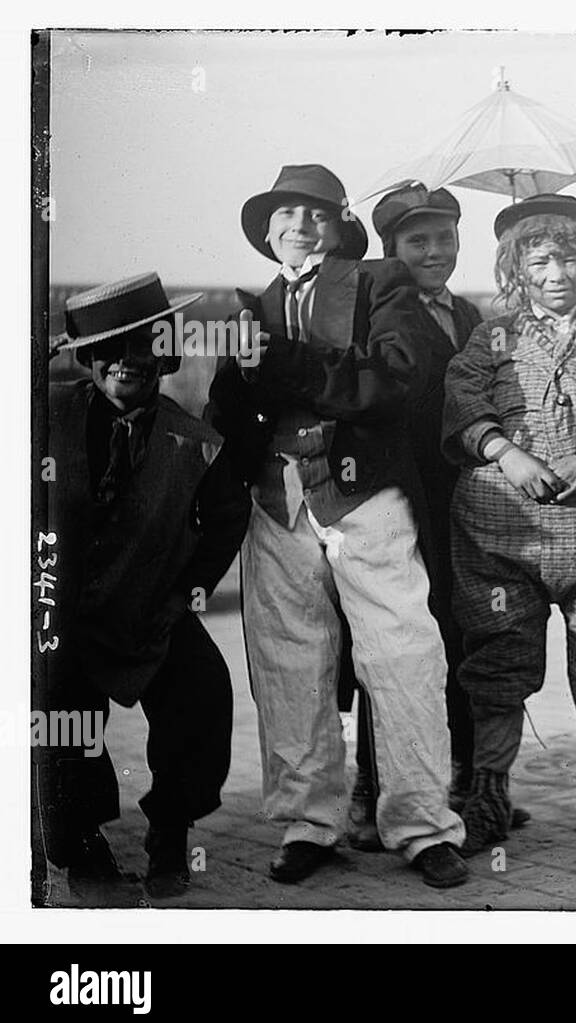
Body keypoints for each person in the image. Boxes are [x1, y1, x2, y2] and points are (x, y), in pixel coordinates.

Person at [205, 163, 468, 889]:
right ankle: (309, 822)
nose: (300, 226)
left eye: (316, 214)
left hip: (363, 493)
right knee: (288, 663)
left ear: (339, 226)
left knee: (403, 653)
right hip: (278, 499)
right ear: (266, 232)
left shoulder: (379, 283)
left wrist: (285, 362)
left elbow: (393, 379)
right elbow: (231, 411)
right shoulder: (251, 306)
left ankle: (422, 824)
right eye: (285, 214)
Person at [442, 193, 576, 854]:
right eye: (538, 260)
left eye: (569, 258)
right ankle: (487, 795)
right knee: (499, 656)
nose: (555, 274)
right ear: (516, 267)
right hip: (501, 535)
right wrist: (505, 453)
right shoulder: (492, 336)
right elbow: (461, 396)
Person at [40, 273, 249, 903]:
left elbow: (226, 520)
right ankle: (80, 848)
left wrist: (189, 590)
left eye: (141, 347)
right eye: (107, 350)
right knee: (59, 717)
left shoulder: (200, 444)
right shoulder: (42, 414)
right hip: (60, 612)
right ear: (86, 359)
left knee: (202, 696)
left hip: (148, 608)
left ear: (165, 354)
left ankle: (169, 835)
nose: (124, 364)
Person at [341, 184, 529, 851]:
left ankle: (471, 782)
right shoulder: (373, 310)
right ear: (390, 249)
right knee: (392, 641)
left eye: (445, 237)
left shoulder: (472, 317)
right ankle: (375, 786)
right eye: (417, 240)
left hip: (463, 502)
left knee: (467, 634)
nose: (435, 251)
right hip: (396, 497)